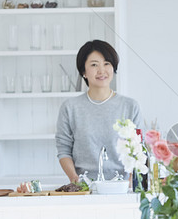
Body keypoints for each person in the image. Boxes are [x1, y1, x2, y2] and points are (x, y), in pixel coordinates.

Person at [56, 40, 142, 182]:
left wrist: (130, 184)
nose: (102, 70)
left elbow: (138, 149)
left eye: (107, 63)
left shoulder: (130, 106)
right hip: (84, 189)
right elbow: (63, 150)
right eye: (94, 65)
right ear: (83, 71)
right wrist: (76, 181)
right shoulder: (70, 107)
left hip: (123, 187)